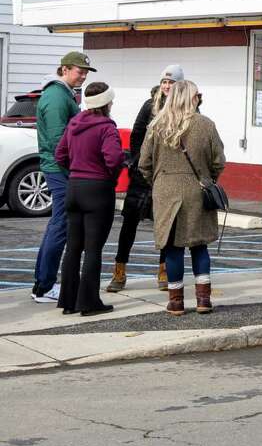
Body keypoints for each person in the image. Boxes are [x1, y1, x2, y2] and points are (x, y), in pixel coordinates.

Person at [139, 80, 225, 316]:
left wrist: (158, 182)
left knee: (173, 248)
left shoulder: (156, 125)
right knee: (199, 246)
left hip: (165, 189)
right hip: (197, 189)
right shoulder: (206, 125)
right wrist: (207, 177)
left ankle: (176, 301)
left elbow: (144, 163)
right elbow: (218, 161)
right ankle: (203, 299)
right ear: (192, 98)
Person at [108, 66, 181, 293]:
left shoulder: (184, 108)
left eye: (171, 82)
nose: (167, 86)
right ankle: (119, 271)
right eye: (164, 82)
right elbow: (137, 135)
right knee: (129, 222)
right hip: (143, 174)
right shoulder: (150, 105)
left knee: (166, 223)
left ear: (179, 85)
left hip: (168, 174)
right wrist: (142, 161)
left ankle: (164, 270)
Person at [54, 82, 125, 316]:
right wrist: (109, 177)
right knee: (93, 249)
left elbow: (60, 155)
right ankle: (89, 303)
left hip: (73, 187)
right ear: (106, 103)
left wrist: (75, 171)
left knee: (73, 247)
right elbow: (114, 159)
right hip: (97, 190)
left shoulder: (74, 123)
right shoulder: (107, 128)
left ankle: (68, 301)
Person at [31, 51, 94, 304]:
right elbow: (60, 142)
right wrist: (76, 169)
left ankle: (41, 284)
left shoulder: (61, 93)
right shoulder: (57, 98)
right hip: (60, 170)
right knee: (61, 226)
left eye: (86, 72)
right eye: (80, 71)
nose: (83, 76)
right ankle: (45, 287)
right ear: (65, 69)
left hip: (56, 168)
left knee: (56, 226)